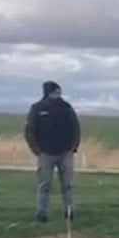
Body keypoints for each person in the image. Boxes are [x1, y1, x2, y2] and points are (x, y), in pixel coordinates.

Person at [24, 80, 80, 223]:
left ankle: (69, 211)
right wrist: (36, 150)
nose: (57, 95)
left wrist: (73, 147)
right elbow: (30, 131)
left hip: (65, 153)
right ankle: (42, 213)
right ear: (47, 93)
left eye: (58, 92)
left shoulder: (66, 108)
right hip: (46, 154)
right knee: (45, 185)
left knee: (67, 184)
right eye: (55, 92)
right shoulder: (37, 108)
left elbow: (76, 128)